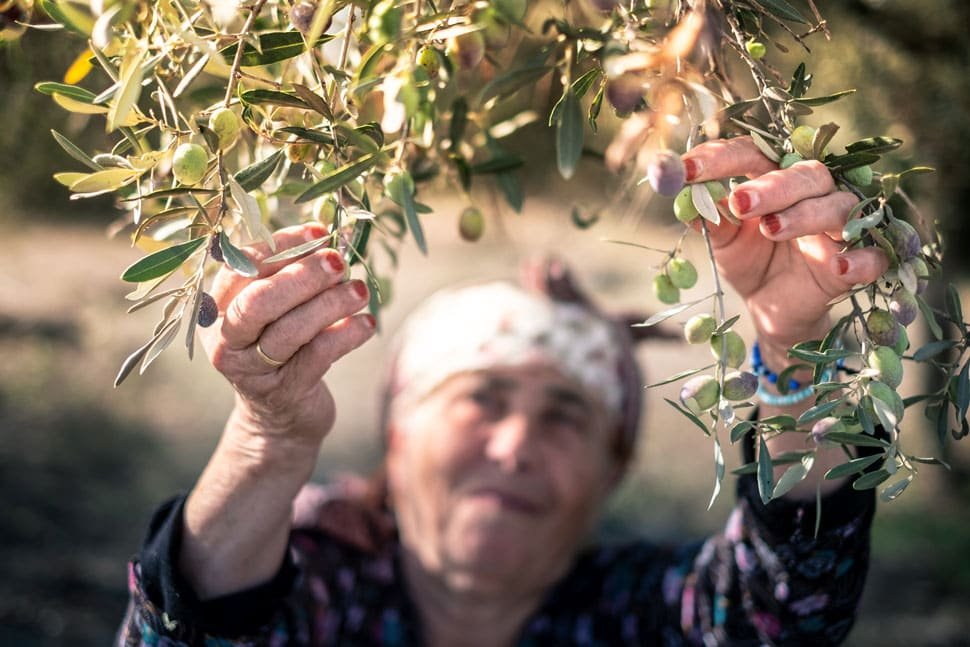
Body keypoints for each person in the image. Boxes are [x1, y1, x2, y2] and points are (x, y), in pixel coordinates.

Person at [116, 137, 888, 646]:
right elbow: (190, 631)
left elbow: (788, 604)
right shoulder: (325, 586)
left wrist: (794, 344)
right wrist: (268, 437)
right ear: (398, 435)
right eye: (481, 399)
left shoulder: (638, 615)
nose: (516, 444)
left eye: (565, 417)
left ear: (609, 471)